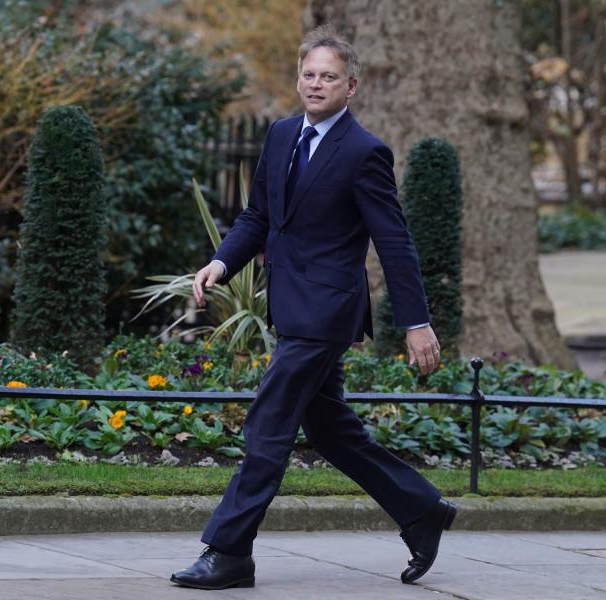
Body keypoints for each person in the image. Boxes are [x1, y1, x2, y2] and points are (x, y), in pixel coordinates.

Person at [170, 25, 456, 591]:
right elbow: (258, 216)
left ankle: (229, 553)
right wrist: (221, 263)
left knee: (268, 423)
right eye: (308, 74)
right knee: (330, 431)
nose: (316, 84)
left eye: (329, 76)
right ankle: (423, 510)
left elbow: (393, 242)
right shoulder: (280, 135)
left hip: (326, 312)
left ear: (351, 87)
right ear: (298, 78)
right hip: (289, 305)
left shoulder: (365, 152)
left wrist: (416, 322)